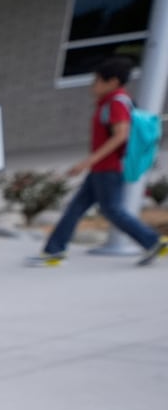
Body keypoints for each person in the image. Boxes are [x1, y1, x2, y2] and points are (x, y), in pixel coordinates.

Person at [29, 55, 168, 267]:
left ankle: (152, 241)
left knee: (112, 210)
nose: (92, 86)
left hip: (109, 168)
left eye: (97, 80)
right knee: (76, 208)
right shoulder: (112, 101)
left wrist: (87, 161)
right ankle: (53, 251)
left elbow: (121, 135)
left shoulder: (116, 103)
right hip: (102, 168)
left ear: (112, 82)